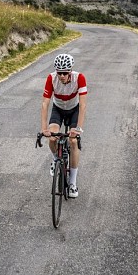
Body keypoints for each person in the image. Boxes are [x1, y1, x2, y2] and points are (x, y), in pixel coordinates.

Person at [40, 53, 87, 198]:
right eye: (59, 72)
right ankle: (55, 159)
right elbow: (45, 103)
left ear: (70, 71)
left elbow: (83, 105)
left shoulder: (79, 78)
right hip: (58, 109)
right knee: (53, 138)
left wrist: (78, 129)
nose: (61, 76)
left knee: (73, 142)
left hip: (74, 109)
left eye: (65, 73)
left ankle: (72, 183)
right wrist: (44, 128)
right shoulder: (51, 78)